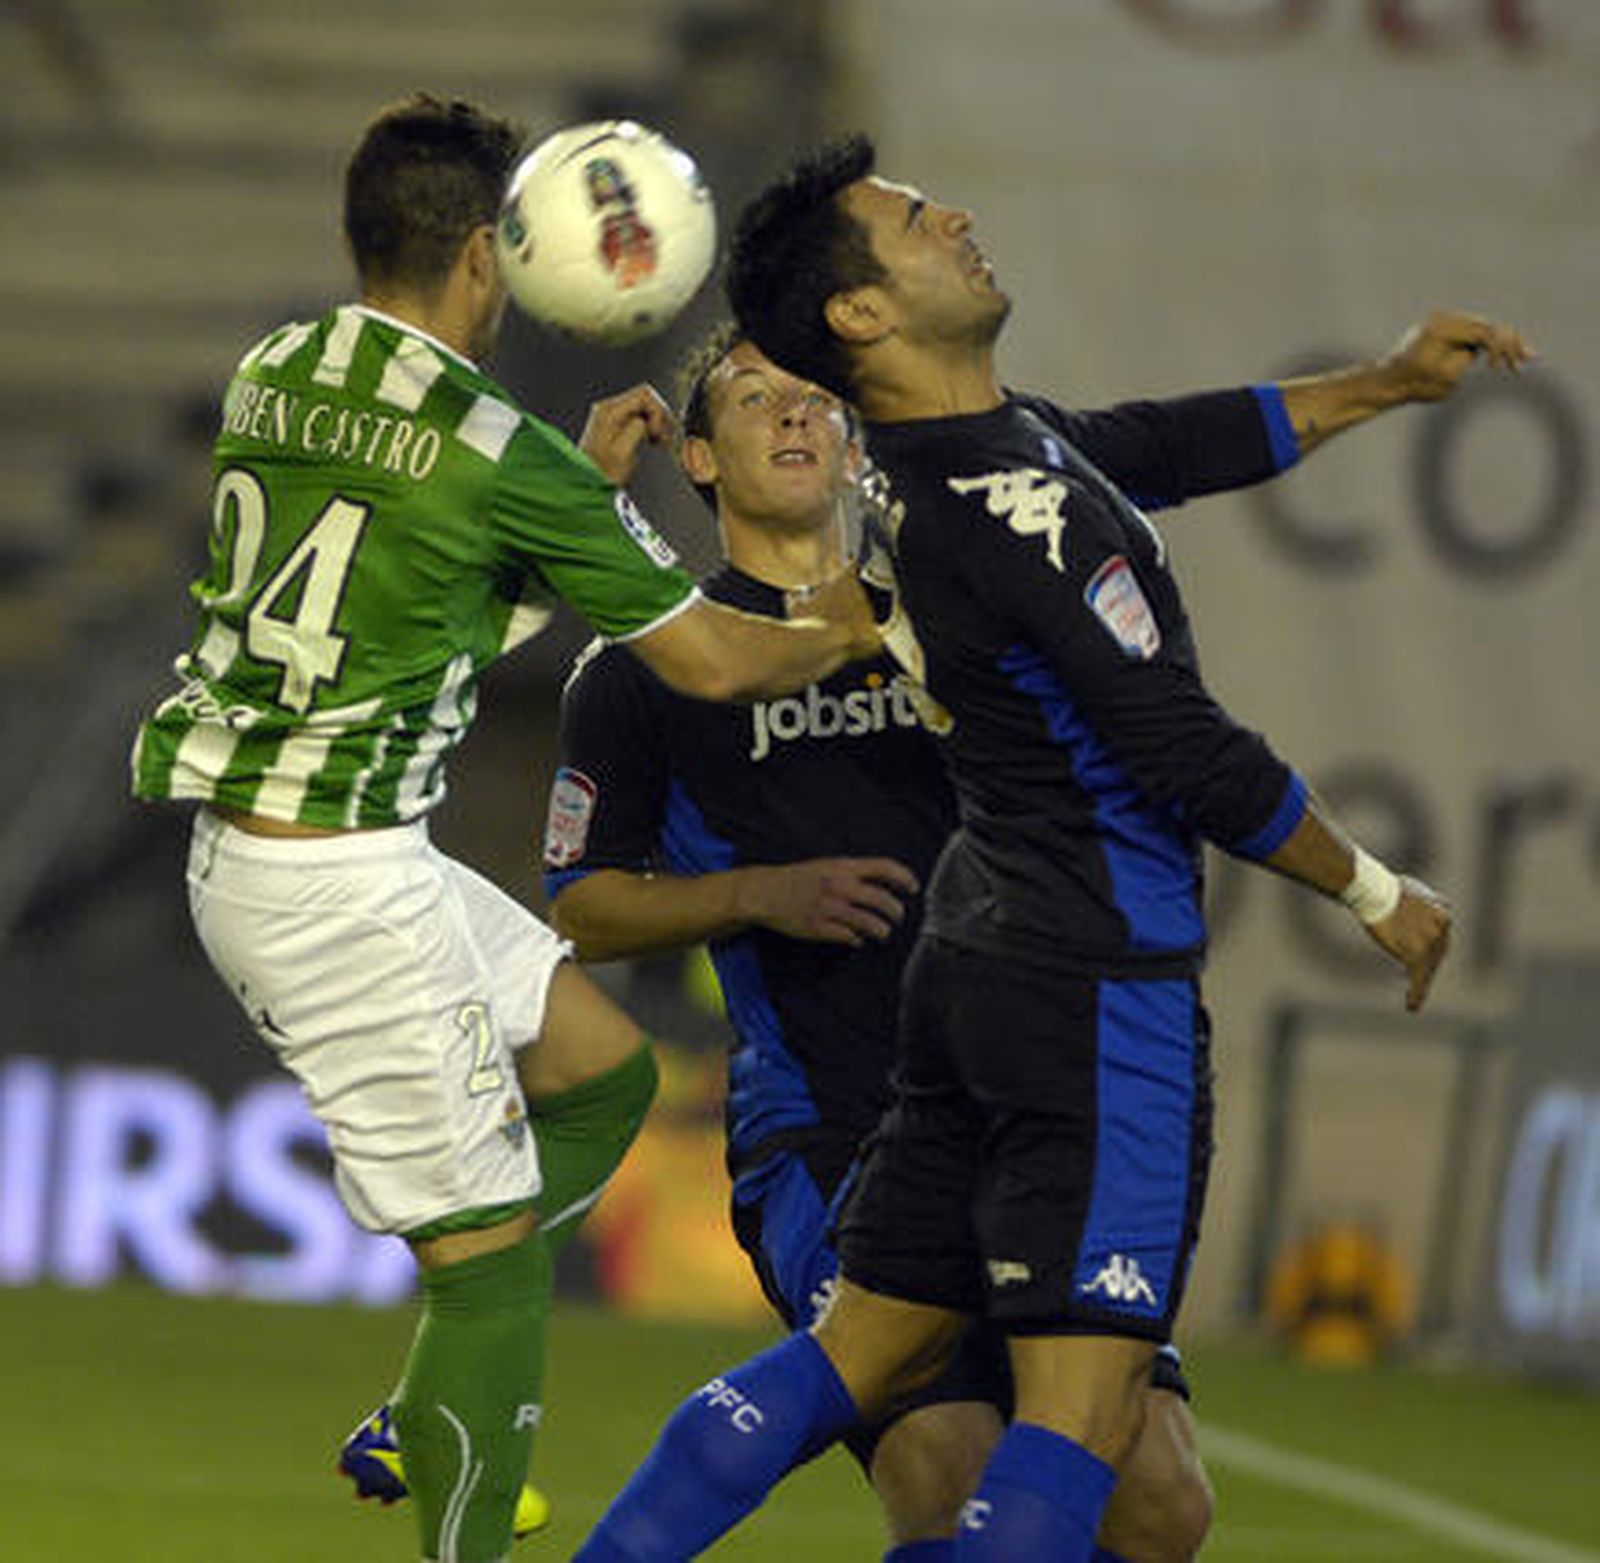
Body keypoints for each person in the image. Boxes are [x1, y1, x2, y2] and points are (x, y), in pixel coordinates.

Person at [574, 135, 1530, 1562]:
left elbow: (1167, 444)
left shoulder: (947, 466)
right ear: (861, 313)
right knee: (1059, 1430)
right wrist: (1372, 886)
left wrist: (1383, 383)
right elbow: (1178, 744)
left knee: (945, 1400)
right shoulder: (1008, 517)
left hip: (969, 973)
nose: (954, 218)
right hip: (1091, 985)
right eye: (914, 219)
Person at [127, 97, 878, 1563]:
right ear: (489, 254)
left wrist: (569, 491)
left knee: (601, 1076)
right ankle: (455, 1486)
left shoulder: (277, 369)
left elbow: (406, 583)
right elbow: (714, 663)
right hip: (331, 886)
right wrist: (856, 623)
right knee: (488, 1272)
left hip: (314, 843)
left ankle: (429, 1404)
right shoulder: (494, 451)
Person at [546, 322, 1237, 1561]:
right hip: (830, 1121)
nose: (794, 415)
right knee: (942, 1463)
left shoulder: (953, 622)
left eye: (815, 396)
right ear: (698, 459)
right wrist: (760, 893)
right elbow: (582, 907)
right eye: (754, 399)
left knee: (1161, 1504)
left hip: (1025, 1099)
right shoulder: (644, 674)